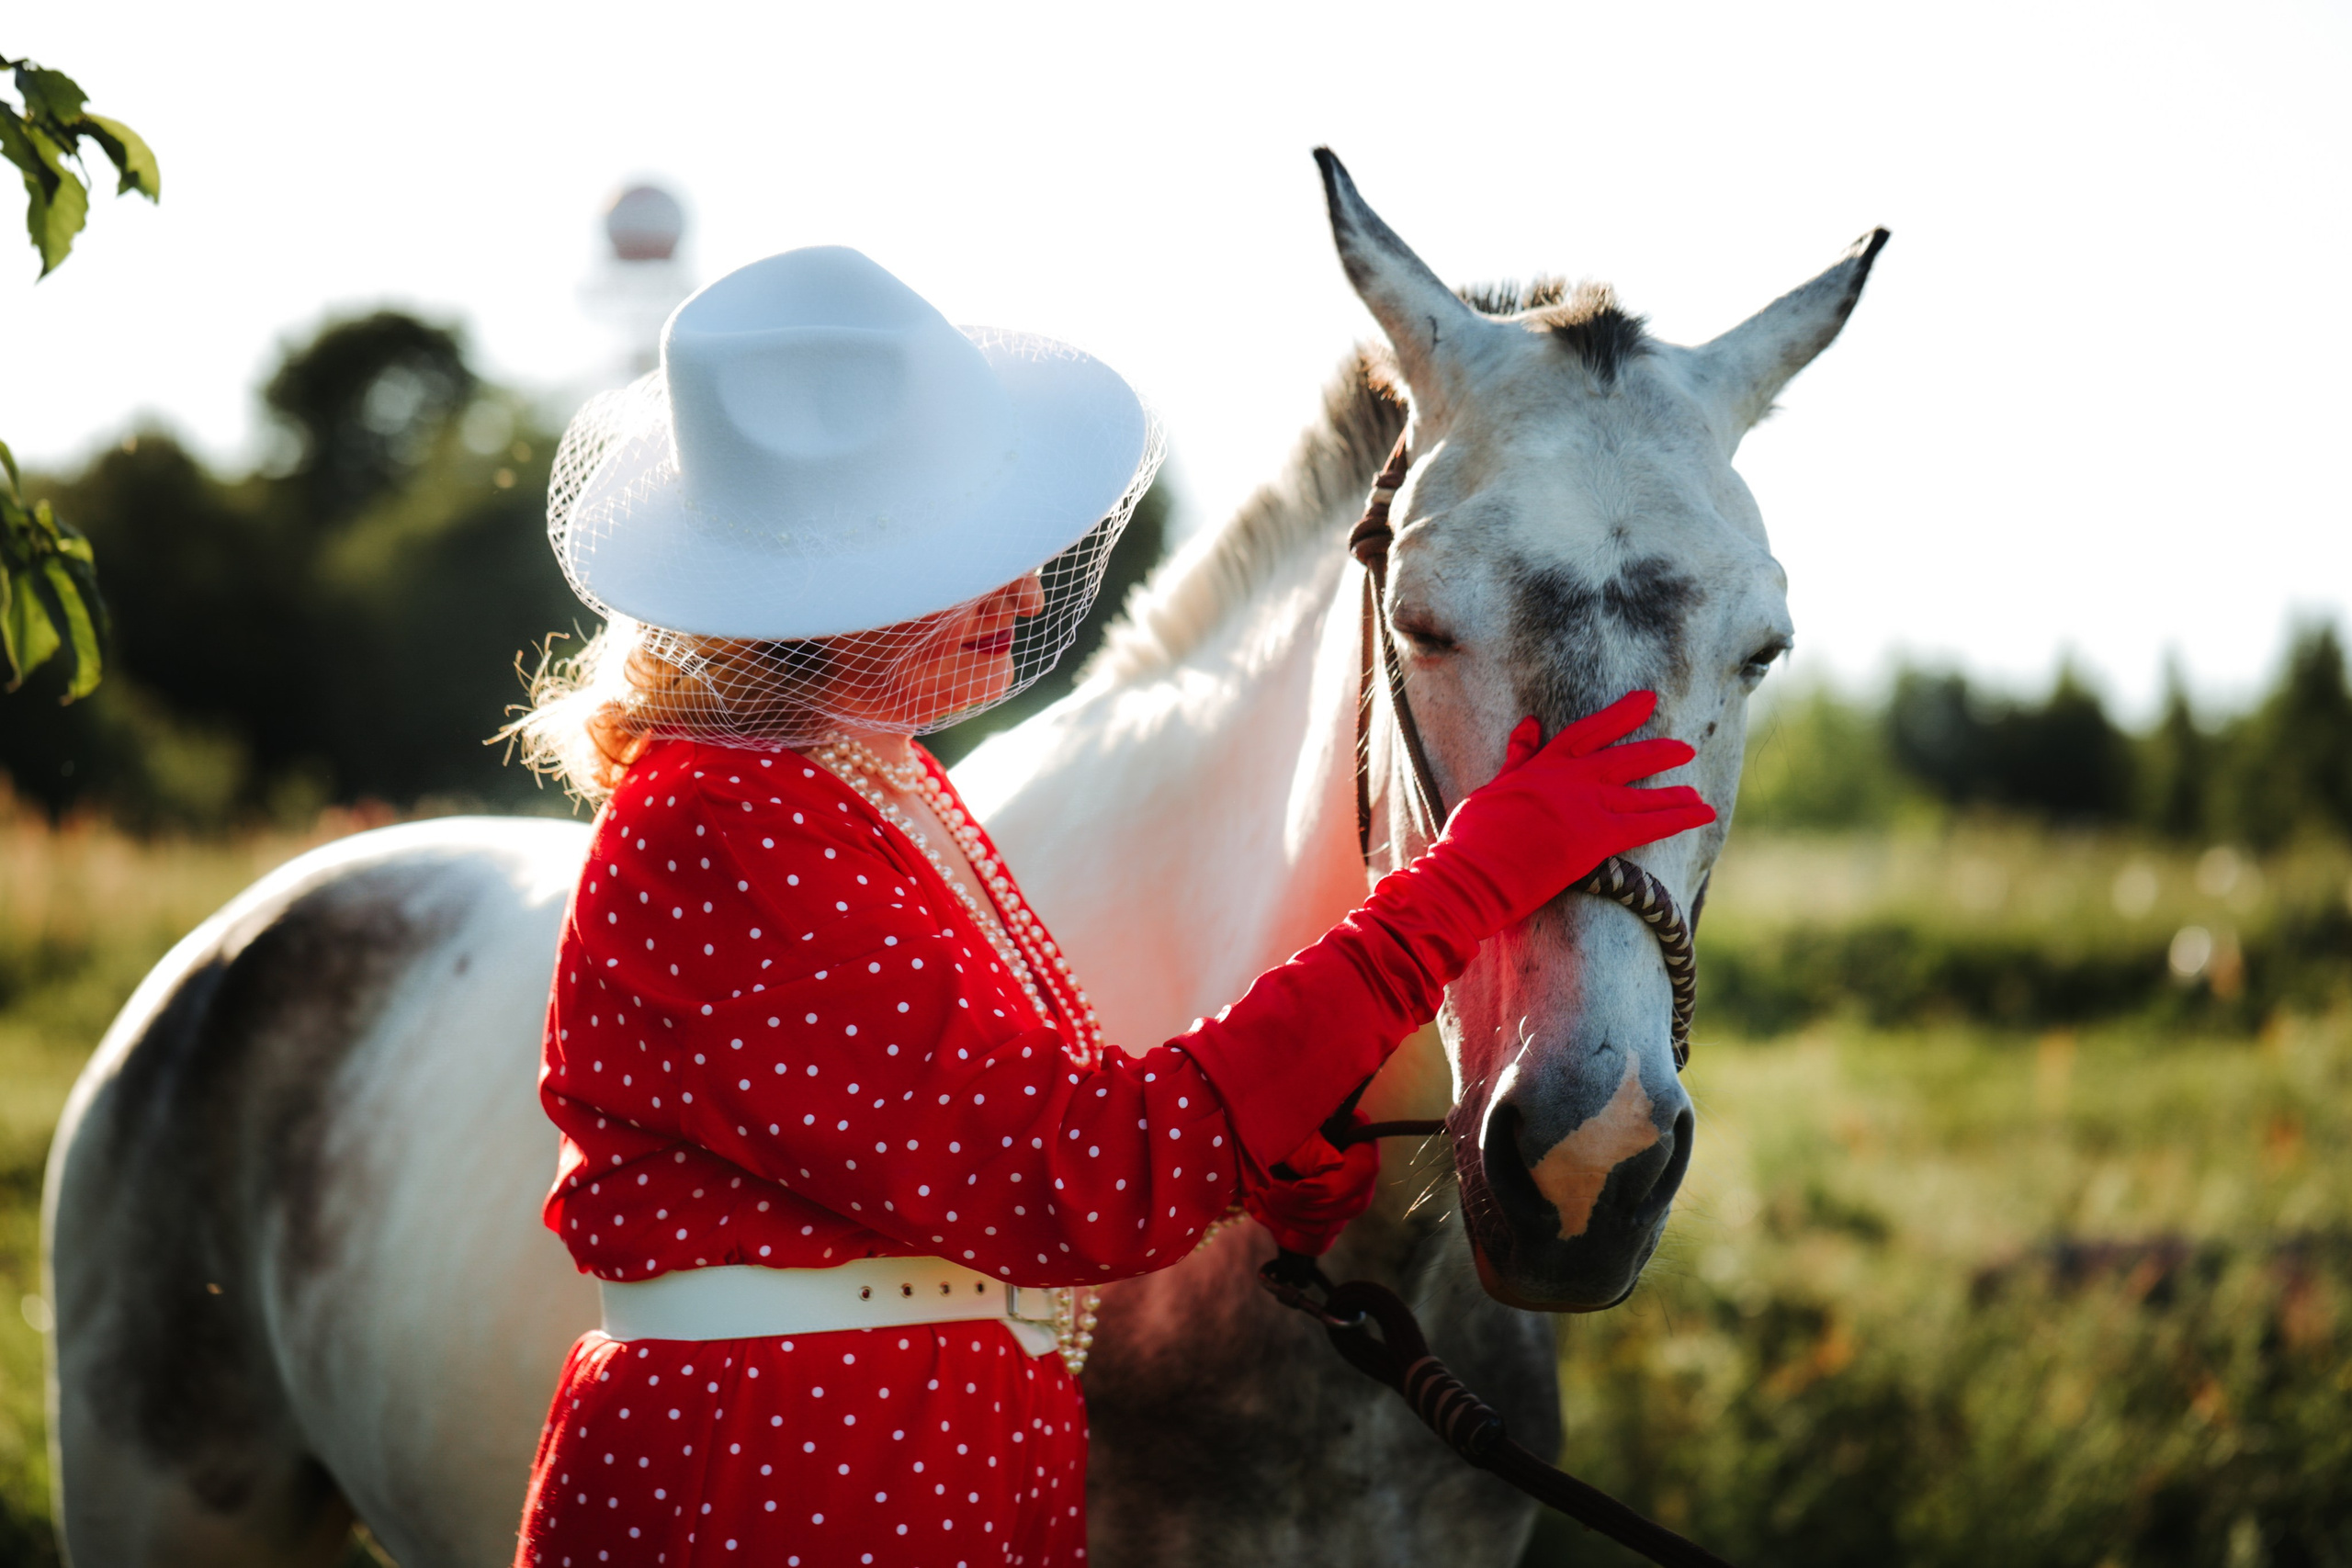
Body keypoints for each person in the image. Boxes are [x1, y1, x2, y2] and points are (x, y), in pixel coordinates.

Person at [505, 246, 1715, 1568]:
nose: (1027, 593)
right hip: (797, 1475)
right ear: (814, 585)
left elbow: (997, 1121)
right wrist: (1473, 879)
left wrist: (1261, 1159)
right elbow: (1080, 1176)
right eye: (957, 556)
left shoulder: (861, 786)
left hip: (901, 1451)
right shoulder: (730, 822)